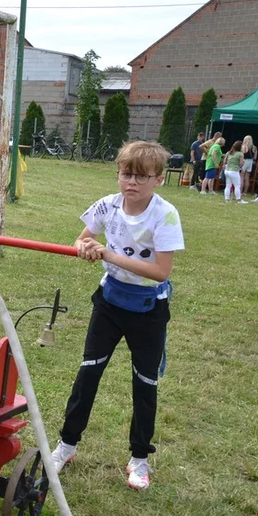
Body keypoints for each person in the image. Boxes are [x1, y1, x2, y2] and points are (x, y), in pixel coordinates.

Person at [51, 141, 183, 491]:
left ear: (158, 180)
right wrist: (85, 248)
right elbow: (82, 239)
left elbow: (161, 272)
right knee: (88, 374)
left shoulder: (165, 214)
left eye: (142, 177)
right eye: (127, 174)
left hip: (149, 310)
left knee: (145, 384)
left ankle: (139, 458)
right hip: (109, 303)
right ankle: (66, 445)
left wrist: (107, 254)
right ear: (118, 174)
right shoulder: (107, 205)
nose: (132, 183)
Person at [240, 134, 255, 199]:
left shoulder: (243, 147)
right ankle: (245, 192)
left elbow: (242, 155)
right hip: (250, 162)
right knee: (247, 178)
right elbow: (255, 157)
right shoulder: (254, 147)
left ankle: (240, 191)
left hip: (245, 161)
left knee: (241, 177)